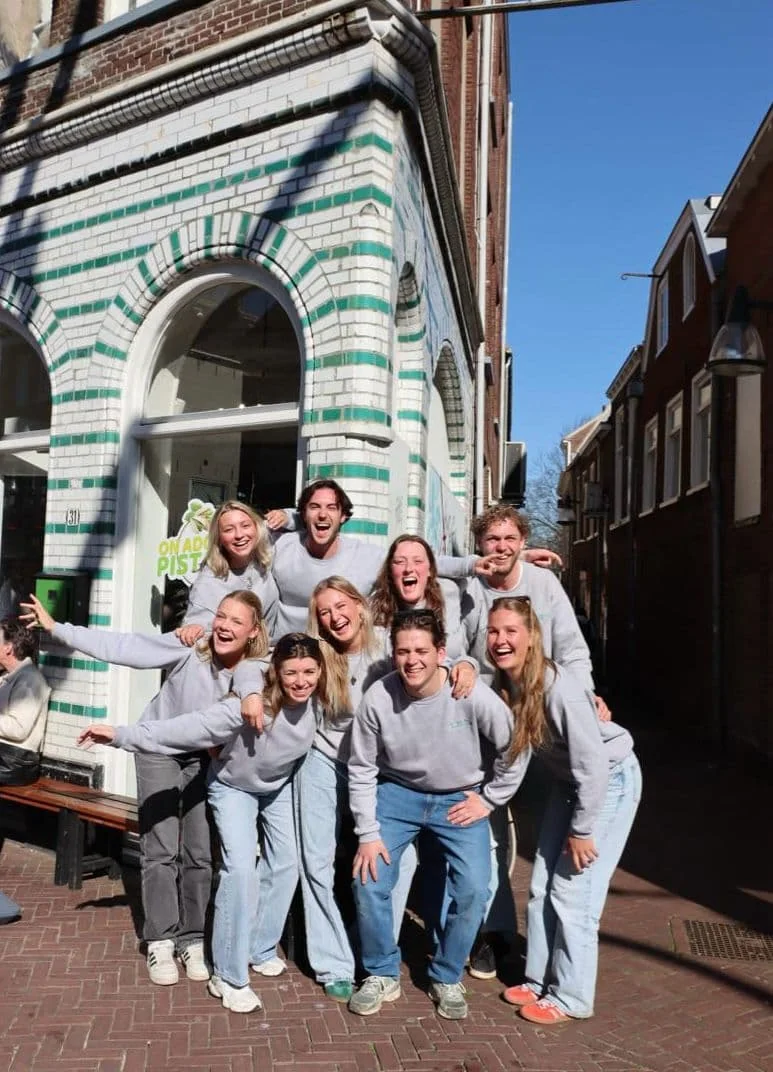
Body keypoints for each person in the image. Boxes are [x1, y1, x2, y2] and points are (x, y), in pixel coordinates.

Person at [20, 590, 266, 989]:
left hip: (204, 758)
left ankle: (192, 938)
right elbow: (125, 647)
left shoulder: (253, 672)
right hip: (156, 748)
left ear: (253, 631)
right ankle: (161, 939)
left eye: (236, 621)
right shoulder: (192, 646)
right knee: (161, 847)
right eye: (221, 616)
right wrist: (57, 628)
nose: (224, 626)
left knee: (200, 852)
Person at [78, 632, 328, 1014]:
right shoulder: (246, 706)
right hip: (234, 787)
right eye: (291, 672)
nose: (301, 681)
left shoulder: (320, 703)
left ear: (321, 671)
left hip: (275, 787)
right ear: (276, 672)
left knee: (287, 862)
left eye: (309, 672)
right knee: (239, 870)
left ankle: (258, 947)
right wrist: (120, 735)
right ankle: (226, 976)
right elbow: (185, 728)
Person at [347, 609, 529, 1021]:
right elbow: (361, 767)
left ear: (441, 653)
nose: (412, 660)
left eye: (421, 651)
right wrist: (368, 833)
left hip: (458, 800)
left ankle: (446, 975)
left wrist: (490, 799)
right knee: (368, 880)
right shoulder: (379, 697)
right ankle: (380, 972)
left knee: (474, 888)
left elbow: (516, 747)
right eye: (403, 652)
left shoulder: (469, 694)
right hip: (397, 795)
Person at [459, 505, 604, 981]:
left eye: (509, 539)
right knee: (489, 831)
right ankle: (495, 931)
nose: (499, 547)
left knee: (545, 830)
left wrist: (584, 700)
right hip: (487, 726)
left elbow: (573, 650)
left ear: (522, 541)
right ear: (479, 544)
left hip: (540, 725)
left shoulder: (544, 585)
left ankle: (550, 945)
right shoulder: (469, 587)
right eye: (491, 539)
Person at [487, 597, 641, 1024]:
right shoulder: (510, 683)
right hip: (569, 782)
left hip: (607, 781)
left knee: (574, 893)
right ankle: (540, 980)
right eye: (494, 631)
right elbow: (515, 753)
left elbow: (594, 766)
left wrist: (583, 830)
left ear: (532, 637)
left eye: (511, 631)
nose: (501, 640)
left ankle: (571, 996)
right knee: (541, 885)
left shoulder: (559, 689)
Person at [295, 576, 391, 1002]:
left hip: (377, 769)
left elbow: (435, 658)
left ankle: (367, 952)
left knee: (373, 863)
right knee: (316, 860)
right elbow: (271, 669)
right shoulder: (317, 655)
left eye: (340, 606)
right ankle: (333, 962)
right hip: (324, 758)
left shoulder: (388, 647)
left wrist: (458, 666)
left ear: (358, 604)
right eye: (324, 612)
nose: (335, 618)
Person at [180, 500, 279, 643]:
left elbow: (305, 517)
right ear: (219, 538)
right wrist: (194, 628)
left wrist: (286, 516)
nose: (239, 535)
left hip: (270, 650)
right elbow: (197, 623)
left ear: (257, 527)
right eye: (228, 530)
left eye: (245, 526)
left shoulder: (266, 558)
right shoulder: (210, 579)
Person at [0, 618, 51, 785]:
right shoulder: (8, 676)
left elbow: (18, 729)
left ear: (8, 648)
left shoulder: (30, 680)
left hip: (13, 762)